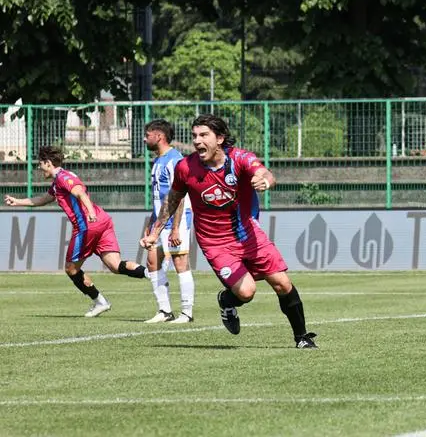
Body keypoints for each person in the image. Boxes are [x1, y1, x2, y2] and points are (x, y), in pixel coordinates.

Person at [140, 114, 318, 349]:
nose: (197, 141)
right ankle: (226, 300)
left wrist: (264, 181)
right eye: (194, 136)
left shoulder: (240, 159)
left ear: (220, 138)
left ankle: (302, 338)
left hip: (248, 234)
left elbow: (265, 173)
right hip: (215, 243)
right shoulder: (186, 167)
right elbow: (173, 200)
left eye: (204, 135)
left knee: (283, 284)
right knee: (246, 291)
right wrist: (154, 233)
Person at [4, 146, 149, 317]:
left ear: (48, 163)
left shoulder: (63, 178)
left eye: (40, 164)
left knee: (71, 269)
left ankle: (100, 302)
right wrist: (17, 202)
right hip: (103, 222)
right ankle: (152, 274)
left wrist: (91, 213)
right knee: (115, 266)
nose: (38, 168)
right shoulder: (60, 181)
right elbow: (43, 199)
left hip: (87, 226)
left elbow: (80, 193)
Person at [143, 119, 196, 324]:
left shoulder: (175, 160)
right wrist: (152, 223)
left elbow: (180, 195)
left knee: (180, 262)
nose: (145, 138)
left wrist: (175, 228)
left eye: (148, 134)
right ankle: (164, 310)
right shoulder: (158, 160)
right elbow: (159, 196)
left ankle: (187, 312)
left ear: (159, 136)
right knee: (152, 261)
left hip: (177, 220)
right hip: (160, 221)